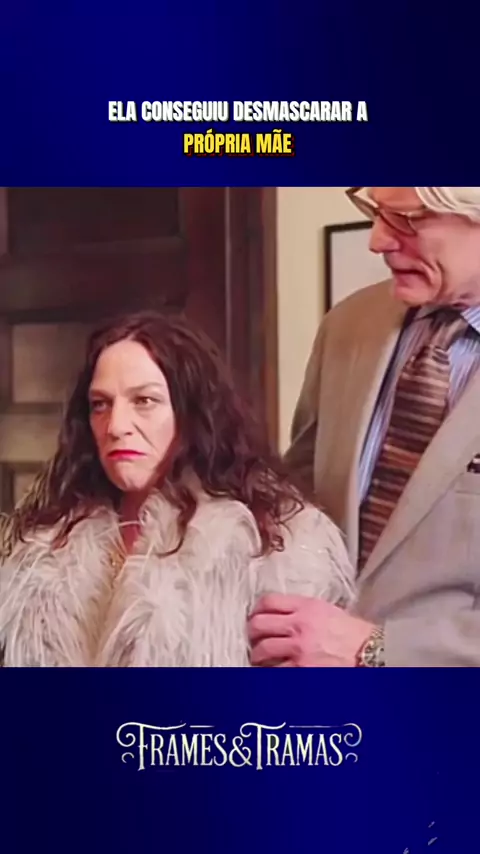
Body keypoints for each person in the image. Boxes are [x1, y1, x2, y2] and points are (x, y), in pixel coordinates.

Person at [0, 310, 355, 667]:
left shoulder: (274, 544)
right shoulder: (40, 545)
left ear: (191, 412)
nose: (116, 426)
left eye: (144, 401)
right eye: (100, 405)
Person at [248, 187, 480, 667]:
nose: (377, 241)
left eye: (406, 218)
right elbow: (298, 497)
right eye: (374, 212)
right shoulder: (349, 325)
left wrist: (376, 650)